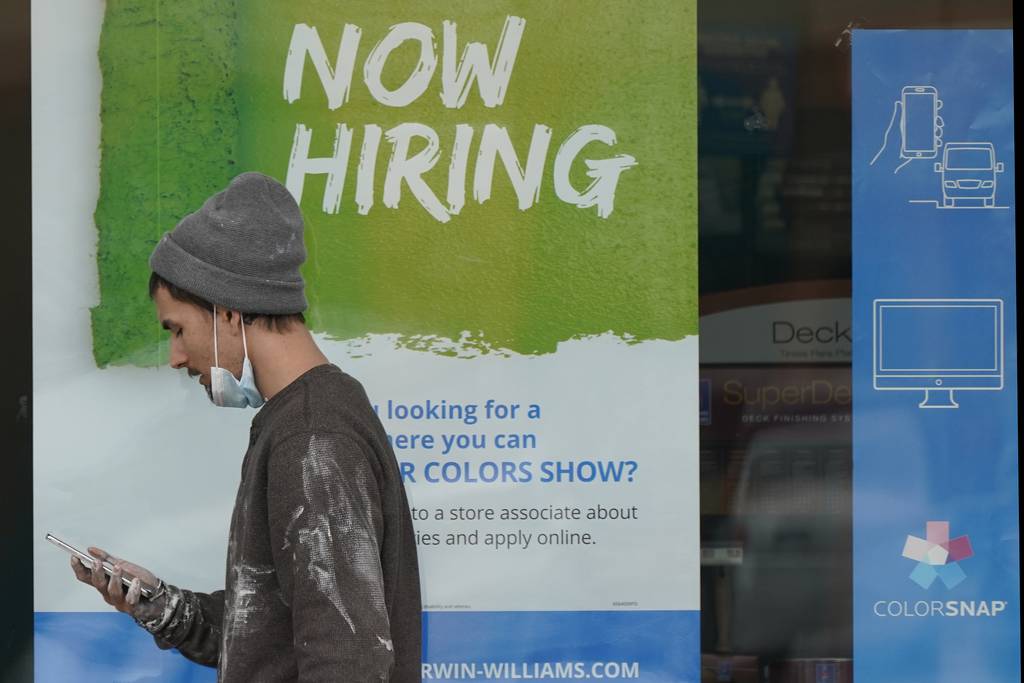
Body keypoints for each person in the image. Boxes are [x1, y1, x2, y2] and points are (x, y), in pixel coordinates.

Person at [69, 172, 422, 681]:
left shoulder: (312, 437)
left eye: (177, 330)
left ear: (227, 312)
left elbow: (347, 658)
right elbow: (271, 630)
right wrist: (163, 605)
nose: (176, 357)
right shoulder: (308, 419)